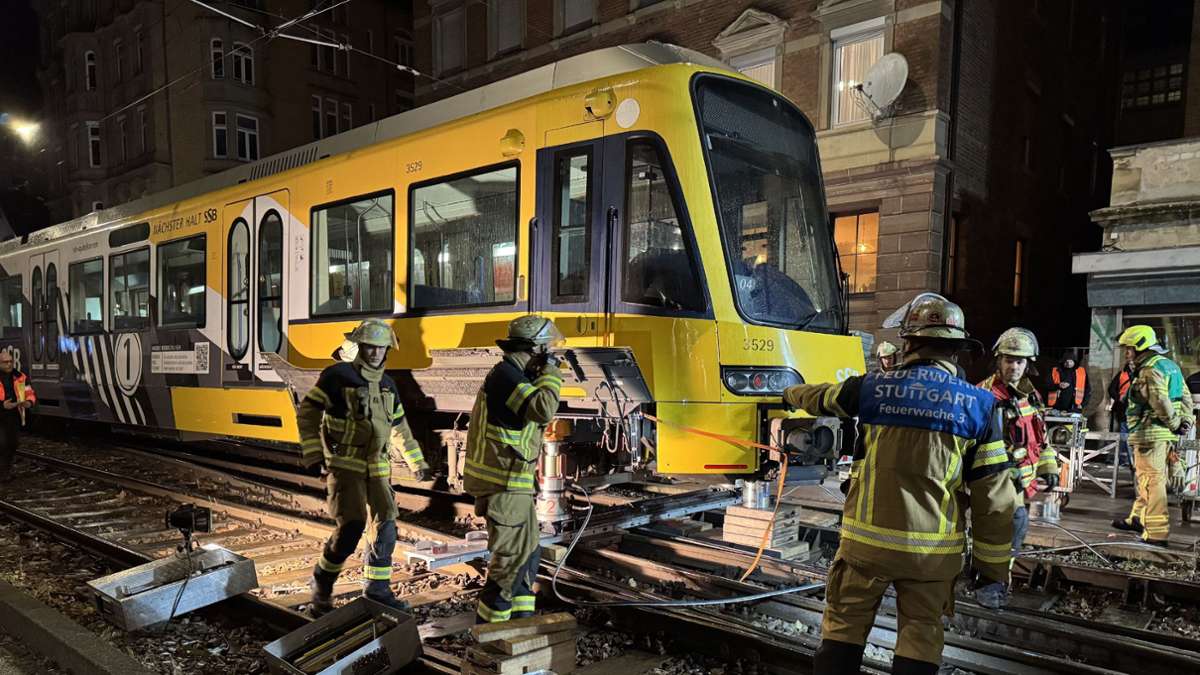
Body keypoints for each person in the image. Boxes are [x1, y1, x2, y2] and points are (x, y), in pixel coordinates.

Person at [782, 293, 1013, 675]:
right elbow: (996, 500)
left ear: (908, 343)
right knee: (921, 634)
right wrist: (991, 568)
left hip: (865, 548)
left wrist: (786, 391)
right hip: (932, 555)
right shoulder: (980, 406)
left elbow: (821, 397)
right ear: (956, 350)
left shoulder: (872, 388)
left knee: (844, 628)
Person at [297, 319, 430, 615]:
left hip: (378, 469)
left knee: (386, 528)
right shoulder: (337, 376)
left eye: (380, 348)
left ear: (387, 351)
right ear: (360, 347)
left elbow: (399, 427)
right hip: (346, 467)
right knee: (352, 526)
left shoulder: (387, 384)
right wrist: (313, 453)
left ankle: (378, 590)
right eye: (370, 347)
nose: (374, 353)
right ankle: (322, 582)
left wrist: (416, 462)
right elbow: (308, 413)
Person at [465, 315, 563, 624]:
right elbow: (543, 408)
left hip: (515, 486)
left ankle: (521, 621)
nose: (552, 355)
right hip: (503, 486)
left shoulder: (514, 376)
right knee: (509, 563)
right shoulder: (506, 376)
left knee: (529, 553)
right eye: (548, 350)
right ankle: (489, 635)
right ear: (535, 349)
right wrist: (551, 373)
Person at [975, 327, 1058, 609]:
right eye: (1009, 360)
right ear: (998, 360)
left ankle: (994, 581)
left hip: (1019, 484)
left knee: (1013, 532)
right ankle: (990, 586)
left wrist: (1049, 467)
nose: (1014, 366)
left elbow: (1040, 437)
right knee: (1005, 531)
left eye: (1020, 361)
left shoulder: (1029, 395)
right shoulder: (983, 395)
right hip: (994, 482)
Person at [1111, 326, 1195, 547]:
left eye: (1129, 349)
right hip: (1164, 435)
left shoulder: (1149, 370)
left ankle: (1157, 534)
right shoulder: (1170, 366)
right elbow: (1185, 397)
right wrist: (1185, 421)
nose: (1127, 353)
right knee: (1146, 479)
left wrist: (1176, 423)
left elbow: (1160, 401)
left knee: (1152, 482)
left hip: (1150, 434)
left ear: (1140, 347)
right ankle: (1137, 518)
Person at [0, 351, 36, 483]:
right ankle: (3, 473)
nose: (9, 364)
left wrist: (29, 402)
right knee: (2, 444)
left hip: (14, 415)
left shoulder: (20, 377)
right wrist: (2, 405)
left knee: (12, 443)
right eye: (5, 362)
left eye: (10, 362)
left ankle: (5, 471)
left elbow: (29, 392)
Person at [1108, 359, 1136, 478]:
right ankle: (1122, 458)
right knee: (1123, 433)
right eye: (1130, 364)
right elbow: (1111, 389)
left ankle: (1125, 458)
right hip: (1122, 409)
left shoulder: (1142, 374)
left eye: (1134, 364)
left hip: (1134, 410)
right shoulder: (1122, 374)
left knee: (1127, 434)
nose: (1132, 366)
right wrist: (1118, 397)